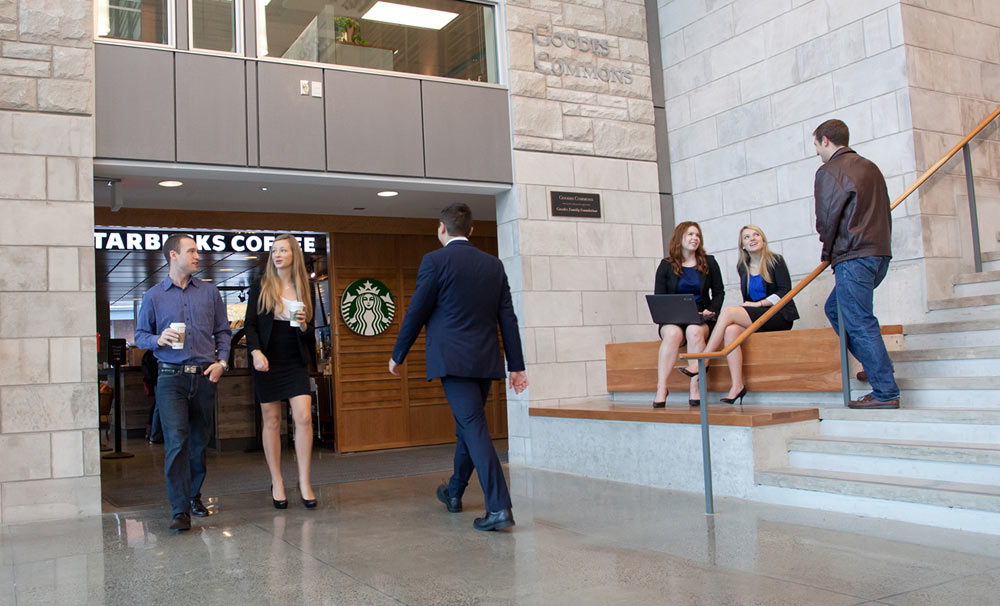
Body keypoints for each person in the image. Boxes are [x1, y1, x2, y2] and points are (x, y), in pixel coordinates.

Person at [389, 202, 528, 532]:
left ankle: (499, 507)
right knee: (469, 426)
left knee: (473, 427)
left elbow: (417, 312)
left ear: (441, 227)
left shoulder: (434, 261)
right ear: (471, 230)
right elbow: (507, 318)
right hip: (485, 359)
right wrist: (516, 365)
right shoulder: (493, 265)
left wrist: (398, 353)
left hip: (452, 361)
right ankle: (454, 492)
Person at [135, 234, 232, 531]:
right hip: (170, 377)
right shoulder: (153, 296)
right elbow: (139, 335)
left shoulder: (210, 293)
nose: (197, 256)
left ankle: (193, 496)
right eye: (191, 251)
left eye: (197, 251)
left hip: (204, 376)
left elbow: (223, 333)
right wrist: (156, 339)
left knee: (199, 442)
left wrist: (222, 363)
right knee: (177, 442)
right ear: (173, 256)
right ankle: (179, 510)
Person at [813, 118, 900, 409]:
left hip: (854, 256)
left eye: (816, 145)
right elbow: (884, 211)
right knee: (835, 309)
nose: (816, 152)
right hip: (878, 253)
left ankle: (885, 391)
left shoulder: (829, 171)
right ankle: (877, 368)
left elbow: (827, 218)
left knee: (860, 321)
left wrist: (827, 252)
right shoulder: (870, 167)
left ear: (825, 140)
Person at [684, 225, 798, 405]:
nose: (752, 239)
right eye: (746, 237)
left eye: (756, 235)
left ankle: (704, 359)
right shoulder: (742, 267)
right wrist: (752, 306)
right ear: (742, 245)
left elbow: (785, 292)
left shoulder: (775, 260)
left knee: (729, 311)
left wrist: (758, 304)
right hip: (758, 315)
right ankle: (737, 385)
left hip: (778, 314)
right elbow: (748, 299)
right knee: (730, 331)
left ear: (763, 240)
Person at [244, 234, 318, 509]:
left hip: (294, 358)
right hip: (267, 358)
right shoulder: (261, 284)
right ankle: (277, 481)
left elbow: (310, 329)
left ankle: (305, 481)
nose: (277, 255)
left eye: (283, 250)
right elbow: (250, 325)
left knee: (303, 417)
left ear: (293, 255)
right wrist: (255, 352)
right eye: (274, 251)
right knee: (272, 421)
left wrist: (303, 326)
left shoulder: (304, 286)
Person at [653, 221, 724, 407]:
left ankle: (695, 386)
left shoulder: (710, 262)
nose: (695, 239)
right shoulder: (666, 265)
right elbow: (659, 298)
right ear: (679, 238)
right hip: (673, 316)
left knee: (694, 331)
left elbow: (719, 293)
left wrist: (712, 310)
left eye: (697, 235)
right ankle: (662, 387)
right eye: (690, 234)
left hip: (700, 315)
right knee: (672, 333)